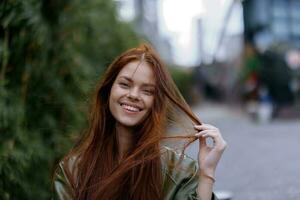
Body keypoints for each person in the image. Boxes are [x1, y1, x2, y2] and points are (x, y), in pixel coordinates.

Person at [52, 44, 227, 200]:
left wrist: (207, 173)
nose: (134, 95)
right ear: (108, 91)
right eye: (125, 85)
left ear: (156, 103)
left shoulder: (178, 170)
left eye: (147, 91)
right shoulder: (73, 171)